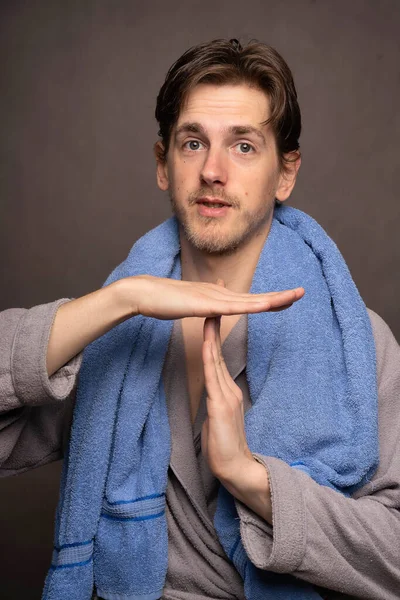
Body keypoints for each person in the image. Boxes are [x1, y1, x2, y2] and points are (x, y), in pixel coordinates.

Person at [1, 38, 399, 600]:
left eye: (243, 146)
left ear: (285, 174)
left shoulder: (359, 342)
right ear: (163, 164)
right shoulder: (113, 331)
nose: (213, 171)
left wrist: (250, 478)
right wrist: (121, 301)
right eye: (193, 143)